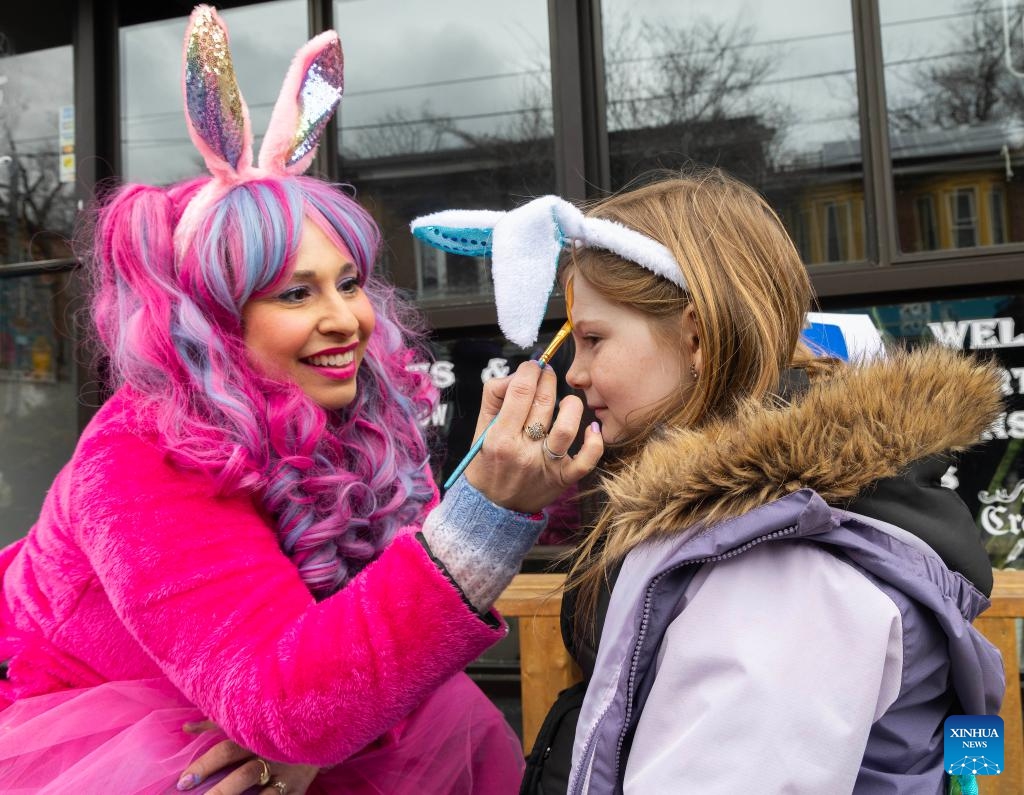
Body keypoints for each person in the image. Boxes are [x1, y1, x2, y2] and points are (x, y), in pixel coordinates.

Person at [0, 7, 602, 794]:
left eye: (349, 282)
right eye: (295, 293)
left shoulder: (347, 417)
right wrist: (481, 514)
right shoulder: (138, 457)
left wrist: (536, 478)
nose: (343, 318)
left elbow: (380, 604)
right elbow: (286, 702)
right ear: (216, 321)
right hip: (124, 752)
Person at [411, 170, 1006, 794]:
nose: (575, 374)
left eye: (592, 339)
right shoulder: (741, 522)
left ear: (695, 335)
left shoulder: (782, 566)